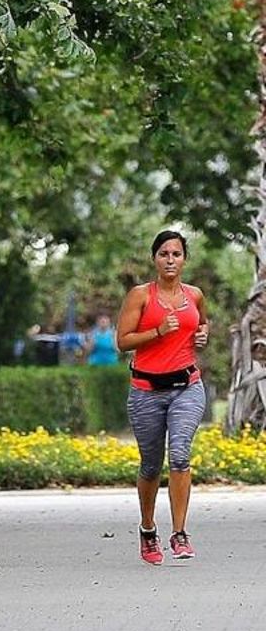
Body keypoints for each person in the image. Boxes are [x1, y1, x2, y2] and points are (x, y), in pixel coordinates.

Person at [117, 229, 210, 565]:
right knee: (151, 465)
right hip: (146, 391)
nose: (170, 260)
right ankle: (148, 529)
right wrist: (157, 331)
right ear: (155, 258)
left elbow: (202, 324)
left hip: (187, 386)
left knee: (181, 455)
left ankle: (180, 533)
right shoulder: (141, 296)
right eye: (164, 254)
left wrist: (203, 335)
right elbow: (123, 341)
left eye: (176, 254)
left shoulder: (195, 295)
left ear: (184, 259)